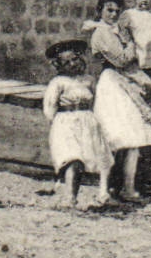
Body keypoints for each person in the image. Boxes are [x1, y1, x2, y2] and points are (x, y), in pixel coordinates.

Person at [87, 0, 151, 203]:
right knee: (111, 137)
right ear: (100, 11)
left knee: (133, 136)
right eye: (109, 10)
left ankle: (128, 187)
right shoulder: (101, 33)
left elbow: (133, 58)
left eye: (117, 11)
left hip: (125, 83)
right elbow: (121, 60)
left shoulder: (118, 31)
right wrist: (130, 45)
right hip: (111, 83)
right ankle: (103, 189)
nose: (113, 14)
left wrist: (130, 45)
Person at [41, 39, 108, 209]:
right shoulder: (58, 83)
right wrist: (58, 124)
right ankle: (70, 197)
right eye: (67, 62)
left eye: (75, 59)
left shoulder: (88, 80)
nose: (72, 64)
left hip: (87, 122)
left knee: (86, 160)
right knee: (72, 158)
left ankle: (94, 194)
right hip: (66, 122)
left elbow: (96, 101)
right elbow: (50, 108)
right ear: (60, 65)